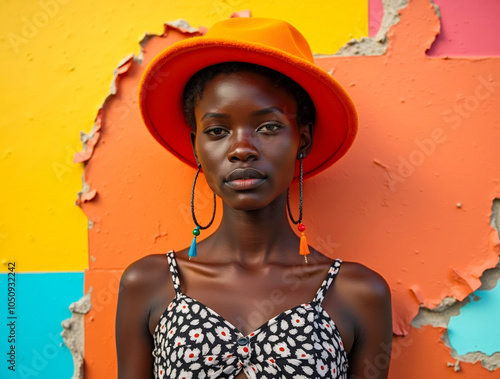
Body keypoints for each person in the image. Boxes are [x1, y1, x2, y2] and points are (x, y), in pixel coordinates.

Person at [116, 17, 392, 379]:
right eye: (217, 131)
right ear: (196, 146)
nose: (242, 149)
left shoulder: (359, 293)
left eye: (269, 127)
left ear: (302, 139)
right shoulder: (149, 283)